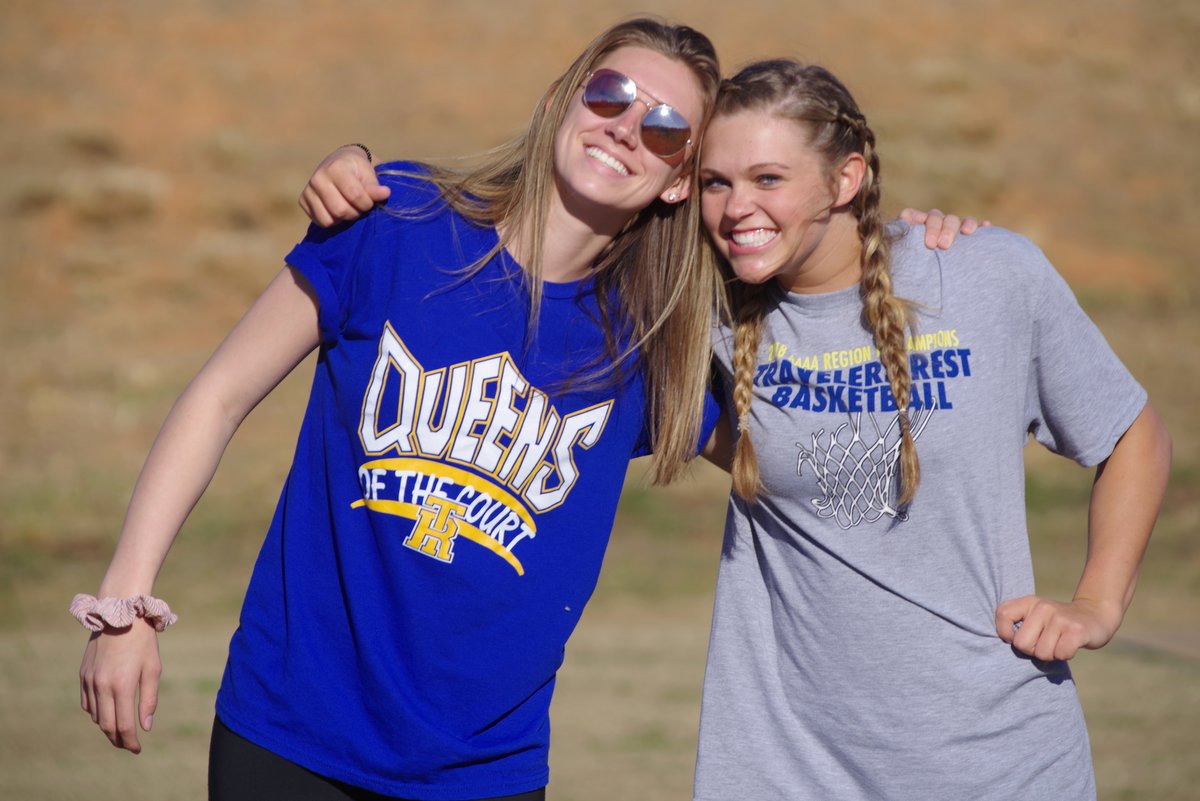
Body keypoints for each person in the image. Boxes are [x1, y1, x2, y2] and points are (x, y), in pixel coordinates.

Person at [74, 18, 726, 801]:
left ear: (681, 180)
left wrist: (860, 256)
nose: (625, 127)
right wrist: (123, 606)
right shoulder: (396, 221)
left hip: (482, 773)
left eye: (665, 128)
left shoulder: (655, 346)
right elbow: (219, 396)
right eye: (610, 93)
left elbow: (794, 454)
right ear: (562, 98)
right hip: (290, 736)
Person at [690, 60, 1171, 800]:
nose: (735, 207)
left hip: (999, 763)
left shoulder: (985, 275)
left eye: (768, 178)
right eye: (715, 182)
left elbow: (1130, 432)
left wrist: (1098, 603)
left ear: (845, 179)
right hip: (787, 769)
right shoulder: (703, 315)